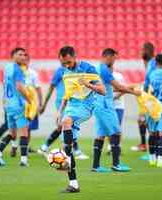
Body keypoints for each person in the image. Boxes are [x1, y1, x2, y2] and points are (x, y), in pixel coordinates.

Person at [55, 46, 106, 193]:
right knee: (66, 145)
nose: (67, 65)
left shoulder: (88, 68)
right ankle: (74, 184)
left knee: (67, 123)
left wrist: (87, 84)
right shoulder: (65, 71)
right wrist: (59, 111)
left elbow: (102, 90)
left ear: (74, 56)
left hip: (85, 106)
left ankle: (67, 154)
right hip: (71, 106)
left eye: (69, 62)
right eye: (64, 63)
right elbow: (68, 93)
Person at [92, 48, 140, 173]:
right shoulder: (104, 70)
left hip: (98, 104)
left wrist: (127, 89)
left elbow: (108, 89)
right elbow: (117, 86)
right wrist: (134, 92)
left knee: (101, 135)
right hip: (105, 105)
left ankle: (96, 166)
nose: (114, 61)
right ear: (108, 56)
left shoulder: (97, 69)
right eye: (114, 58)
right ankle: (116, 164)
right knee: (116, 132)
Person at [0, 47, 31, 167]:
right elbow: (19, 87)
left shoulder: (7, 68)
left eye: (24, 55)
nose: (23, 57)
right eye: (19, 54)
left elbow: (5, 85)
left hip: (8, 105)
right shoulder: (17, 69)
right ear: (13, 55)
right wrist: (29, 100)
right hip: (17, 105)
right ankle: (24, 160)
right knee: (24, 132)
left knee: (12, 133)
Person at [131, 42, 156, 152]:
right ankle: (144, 145)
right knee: (142, 120)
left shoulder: (152, 63)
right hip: (148, 92)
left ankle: (152, 149)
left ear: (147, 50)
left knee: (150, 121)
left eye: (142, 50)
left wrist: (146, 91)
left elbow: (151, 80)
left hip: (151, 93)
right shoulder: (148, 62)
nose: (140, 52)